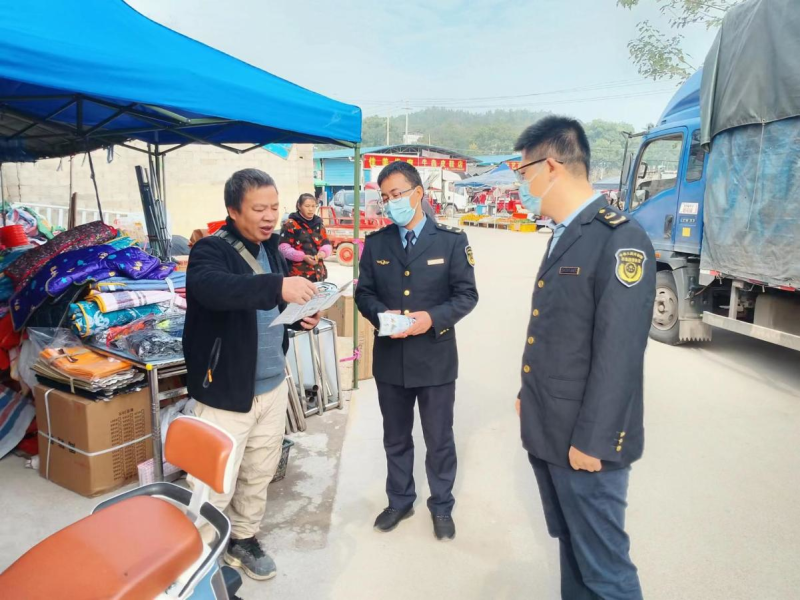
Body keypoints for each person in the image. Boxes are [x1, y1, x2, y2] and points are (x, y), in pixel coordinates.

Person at [513, 116, 655, 600]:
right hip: (552, 427)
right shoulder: (565, 232)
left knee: (606, 571)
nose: (522, 185)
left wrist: (593, 440)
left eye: (523, 172)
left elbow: (620, 352)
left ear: (550, 166)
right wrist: (527, 394)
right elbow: (556, 333)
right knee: (573, 550)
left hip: (586, 441)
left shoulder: (618, 238)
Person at [183, 169, 320, 582]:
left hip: (273, 384)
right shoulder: (210, 250)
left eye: (274, 207)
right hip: (225, 391)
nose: (269, 216)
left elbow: (273, 308)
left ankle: (243, 538)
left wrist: (300, 316)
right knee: (213, 480)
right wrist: (278, 287)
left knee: (259, 472)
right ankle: (201, 556)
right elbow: (215, 289)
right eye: (259, 208)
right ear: (233, 210)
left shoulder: (273, 248)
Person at [354, 161, 479, 541]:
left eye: (397, 194)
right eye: (385, 197)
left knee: (439, 438)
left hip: (435, 358)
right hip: (391, 359)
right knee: (395, 437)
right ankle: (400, 500)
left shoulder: (451, 241)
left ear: (418, 193)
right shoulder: (378, 243)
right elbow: (364, 293)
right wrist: (380, 314)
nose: (391, 203)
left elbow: (466, 295)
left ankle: (441, 505)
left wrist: (432, 318)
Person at [279, 193, 332, 282]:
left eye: (313, 206)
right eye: (307, 206)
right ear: (299, 206)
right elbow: (283, 248)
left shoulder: (319, 223)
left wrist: (323, 253)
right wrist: (302, 257)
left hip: (318, 274)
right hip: (297, 275)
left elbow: (326, 243)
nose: (311, 209)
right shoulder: (290, 224)